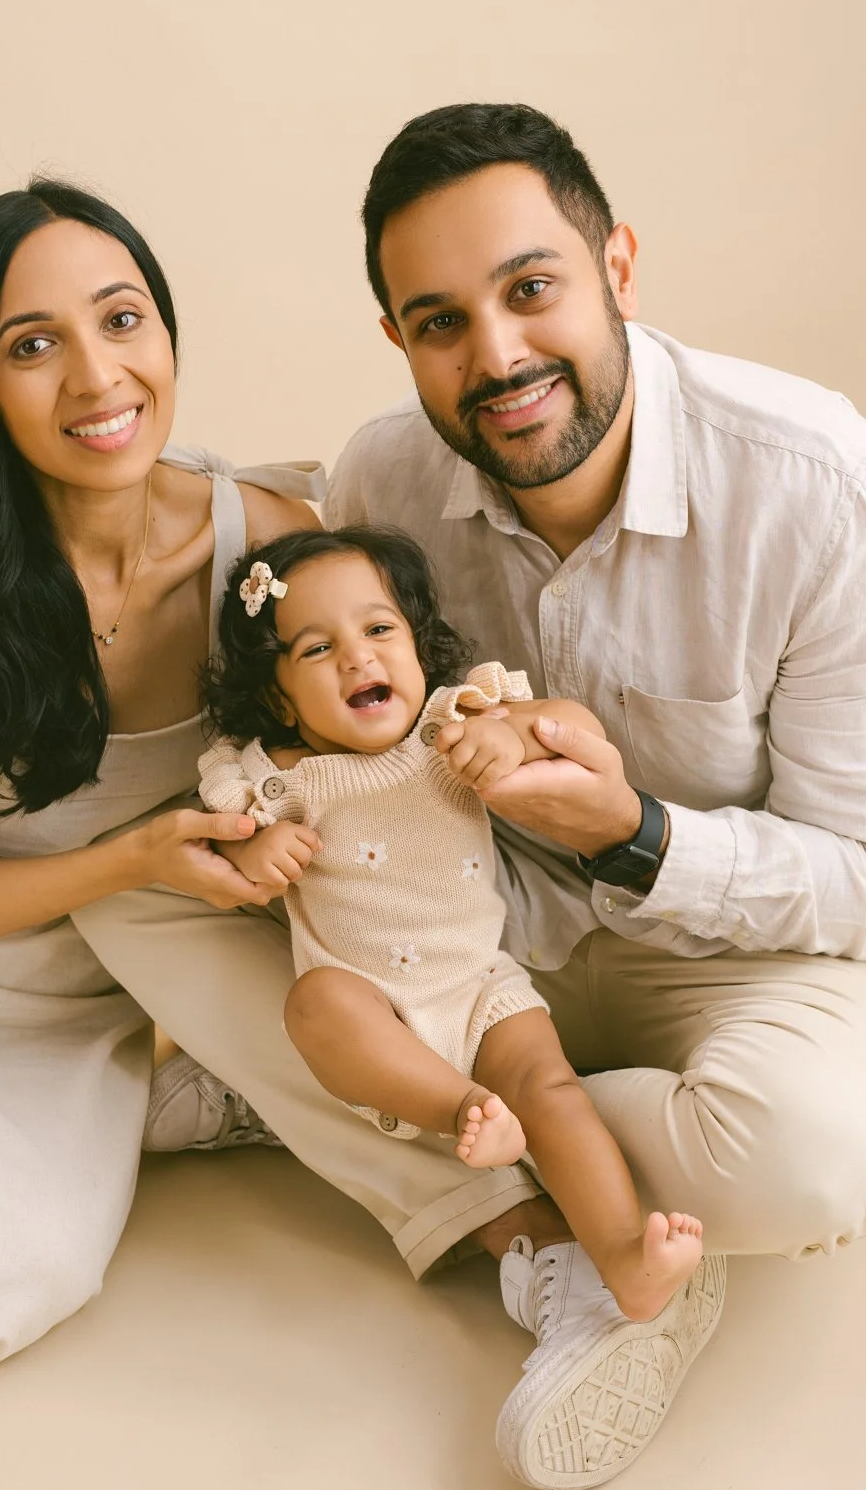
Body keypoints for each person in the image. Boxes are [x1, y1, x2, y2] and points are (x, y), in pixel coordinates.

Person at [0, 177, 539, 1409]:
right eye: (33, 346)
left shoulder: (269, 540)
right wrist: (137, 858)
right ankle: (198, 1101)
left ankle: (221, 1107)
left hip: (110, 1007)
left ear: (169, 335)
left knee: (24, 1267)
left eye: (122, 320)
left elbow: (368, 737)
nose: (96, 378)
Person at [326, 101, 866, 1488]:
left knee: (814, 1159)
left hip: (734, 965)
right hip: (482, 956)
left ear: (617, 265)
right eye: (440, 321)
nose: (497, 357)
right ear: (399, 342)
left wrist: (636, 838)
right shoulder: (379, 479)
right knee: (257, 935)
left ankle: (496, 1169)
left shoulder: (808, 481)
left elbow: (854, 868)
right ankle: (600, 1220)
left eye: (530, 289)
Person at [198, 524, 705, 1321]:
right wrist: (259, 847)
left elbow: (573, 724)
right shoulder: (280, 776)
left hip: (477, 983)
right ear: (277, 695)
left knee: (553, 1090)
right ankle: (465, 1110)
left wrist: (507, 735)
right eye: (317, 650)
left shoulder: (454, 726)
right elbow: (222, 846)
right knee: (316, 1003)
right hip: (374, 1004)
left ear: (415, 642)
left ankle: (623, 1258)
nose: (359, 658)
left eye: (377, 630)